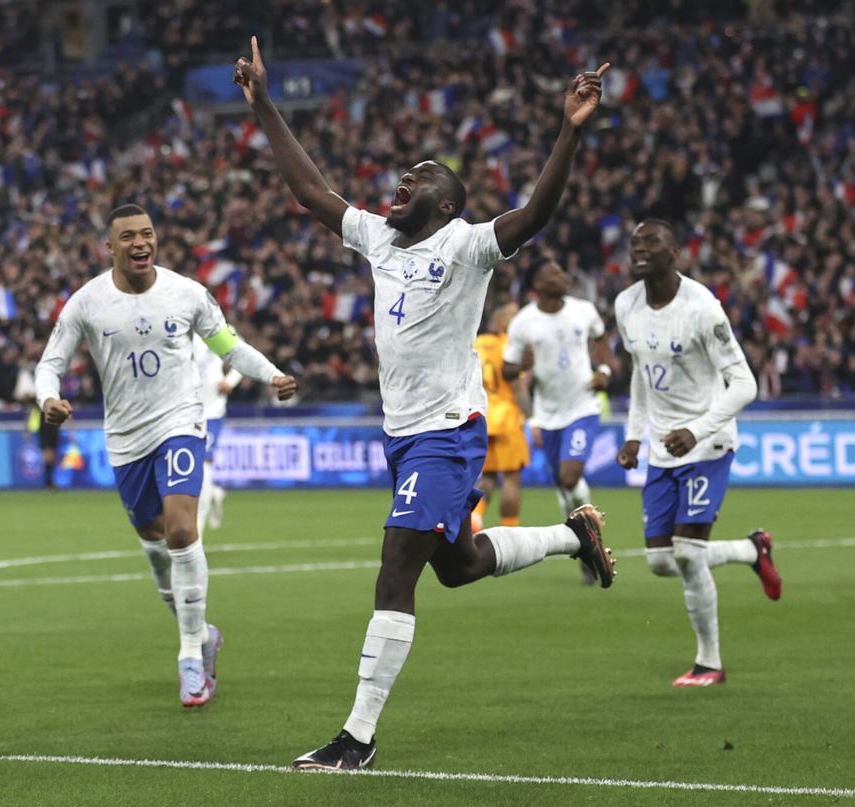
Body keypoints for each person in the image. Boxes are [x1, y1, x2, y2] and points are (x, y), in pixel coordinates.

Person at [235, 37, 615, 769]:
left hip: (448, 429)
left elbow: (534, 214)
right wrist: (263, 105)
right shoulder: (380, 239)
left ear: (444, 203)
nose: (401, 182)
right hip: (404, 434)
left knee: (395, 569)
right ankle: (575, 535)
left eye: (418, 180)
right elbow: (312, 192)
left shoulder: (468, 245)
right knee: (460, 564)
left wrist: (569, 128)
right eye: (403, 176)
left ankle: (358, 736)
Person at [35, 203, 297, 707]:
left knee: (181, 530)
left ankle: (190, 660)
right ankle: (204, 634)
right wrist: (48, 398)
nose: (140, 243)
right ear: (109, 247)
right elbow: (51, 364)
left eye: (148, 233)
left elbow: (229, 346)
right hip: (126, 439)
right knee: (156, 552)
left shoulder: (187, 293)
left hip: (181, 424)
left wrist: (271, 374)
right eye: (128, 236)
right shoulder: (87, 303)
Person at [615, 219, 782, 688]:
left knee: (688, 555)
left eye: (652, 242)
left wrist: (697, 429)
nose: (640, 249)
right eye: (635, 243)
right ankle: (752, 549)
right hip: (664, 447)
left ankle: (709, 662)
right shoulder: (626, 304)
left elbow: (745, 383)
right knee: (661, 561)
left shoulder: (703, 309)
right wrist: (634, 434)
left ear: (677, 253)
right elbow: (640, 372)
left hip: (708, 442)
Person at [502, 261, 613, 536]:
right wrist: (522, 366)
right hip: (549, 415)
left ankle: (591, 533)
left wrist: (604, 370)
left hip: (583, 406)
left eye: (562, 272)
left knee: (569, 476)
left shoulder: (583, 310)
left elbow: (600, 339)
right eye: (553, 273)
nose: (562, 276)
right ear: (537, 285)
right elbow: (507, 369)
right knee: (565, 488)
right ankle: (582, 541)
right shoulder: (523, 322)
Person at [470, 302, 529, 532]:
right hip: (507, 417)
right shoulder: (511, 346)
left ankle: (475, 517)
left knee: (489, 476)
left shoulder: (480, 343)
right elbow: (517, 387)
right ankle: (510, 530)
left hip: (484, 415)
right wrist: (530, 416)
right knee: (512, 478)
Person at [193, 332, 242, 535]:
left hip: (211, 411)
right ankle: (214, 492)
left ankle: (196, 533)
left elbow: (243, 354)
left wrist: (230, 381)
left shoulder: (217, 330)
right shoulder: (177, 329)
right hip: (183, 410)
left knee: (203, 465)